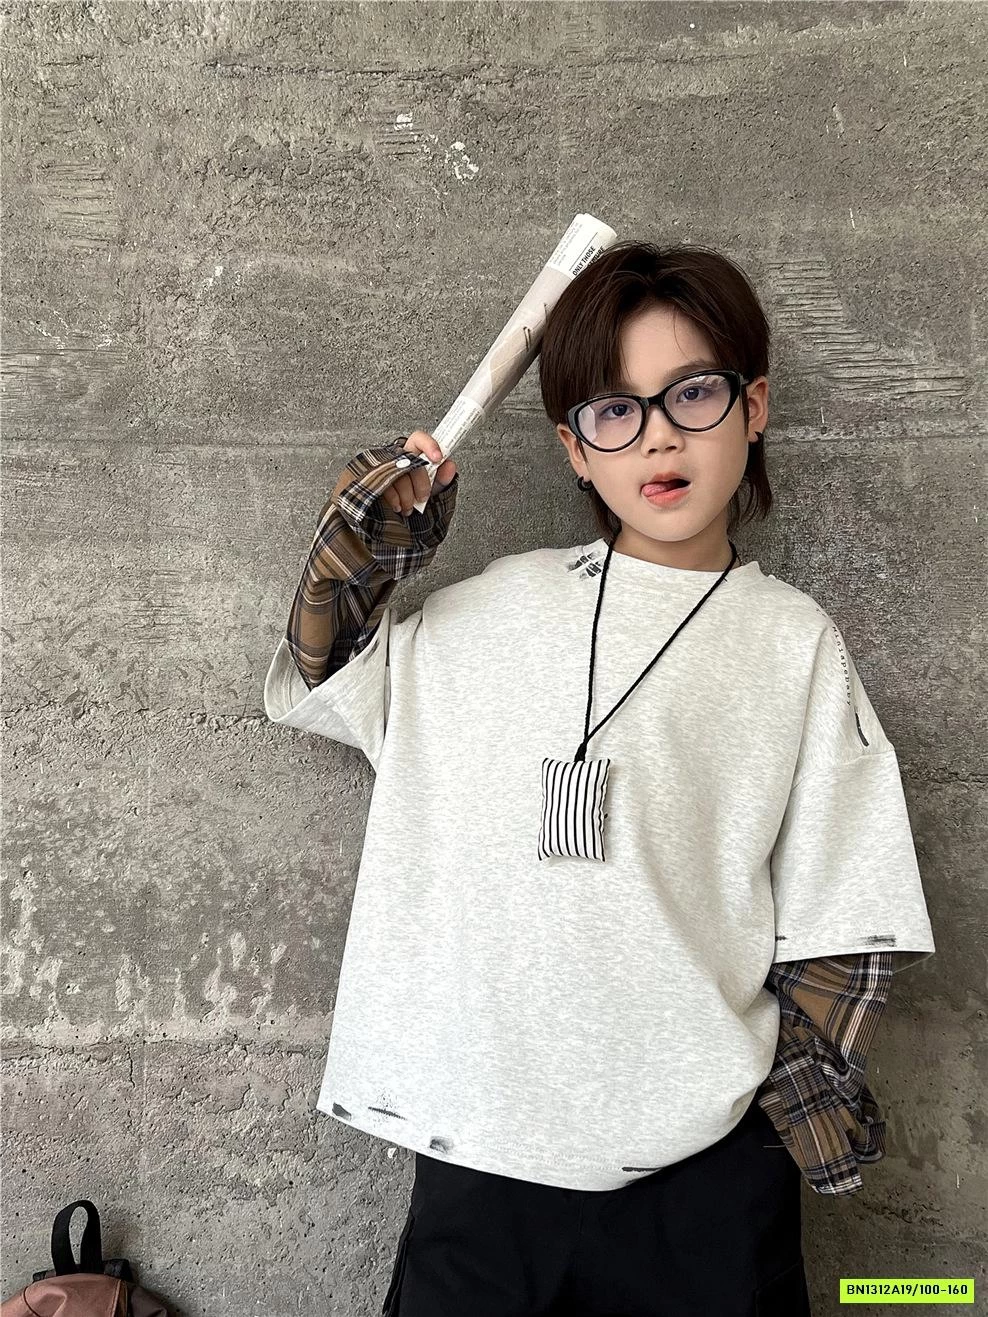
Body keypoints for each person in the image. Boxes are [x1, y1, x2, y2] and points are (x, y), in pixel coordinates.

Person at [262, 241, 936, 1317]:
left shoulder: (791, 642)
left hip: (701, 1180)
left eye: (694, 393)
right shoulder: (494, 609)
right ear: (575, 450)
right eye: (615, 411)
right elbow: (325, 666)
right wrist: (376, 534)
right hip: (483, 1157)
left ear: (755, 406)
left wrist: (772, 1123)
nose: (659, 435)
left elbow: (847, 912)